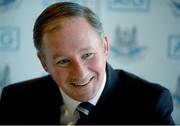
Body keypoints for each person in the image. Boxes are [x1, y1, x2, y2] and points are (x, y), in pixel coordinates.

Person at [0, 2, 175, 125]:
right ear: (44, 62)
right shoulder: (15, 101)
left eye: (87, 55)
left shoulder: (151, 103)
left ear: (105, 46)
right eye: (63, 61)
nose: (81, 73)